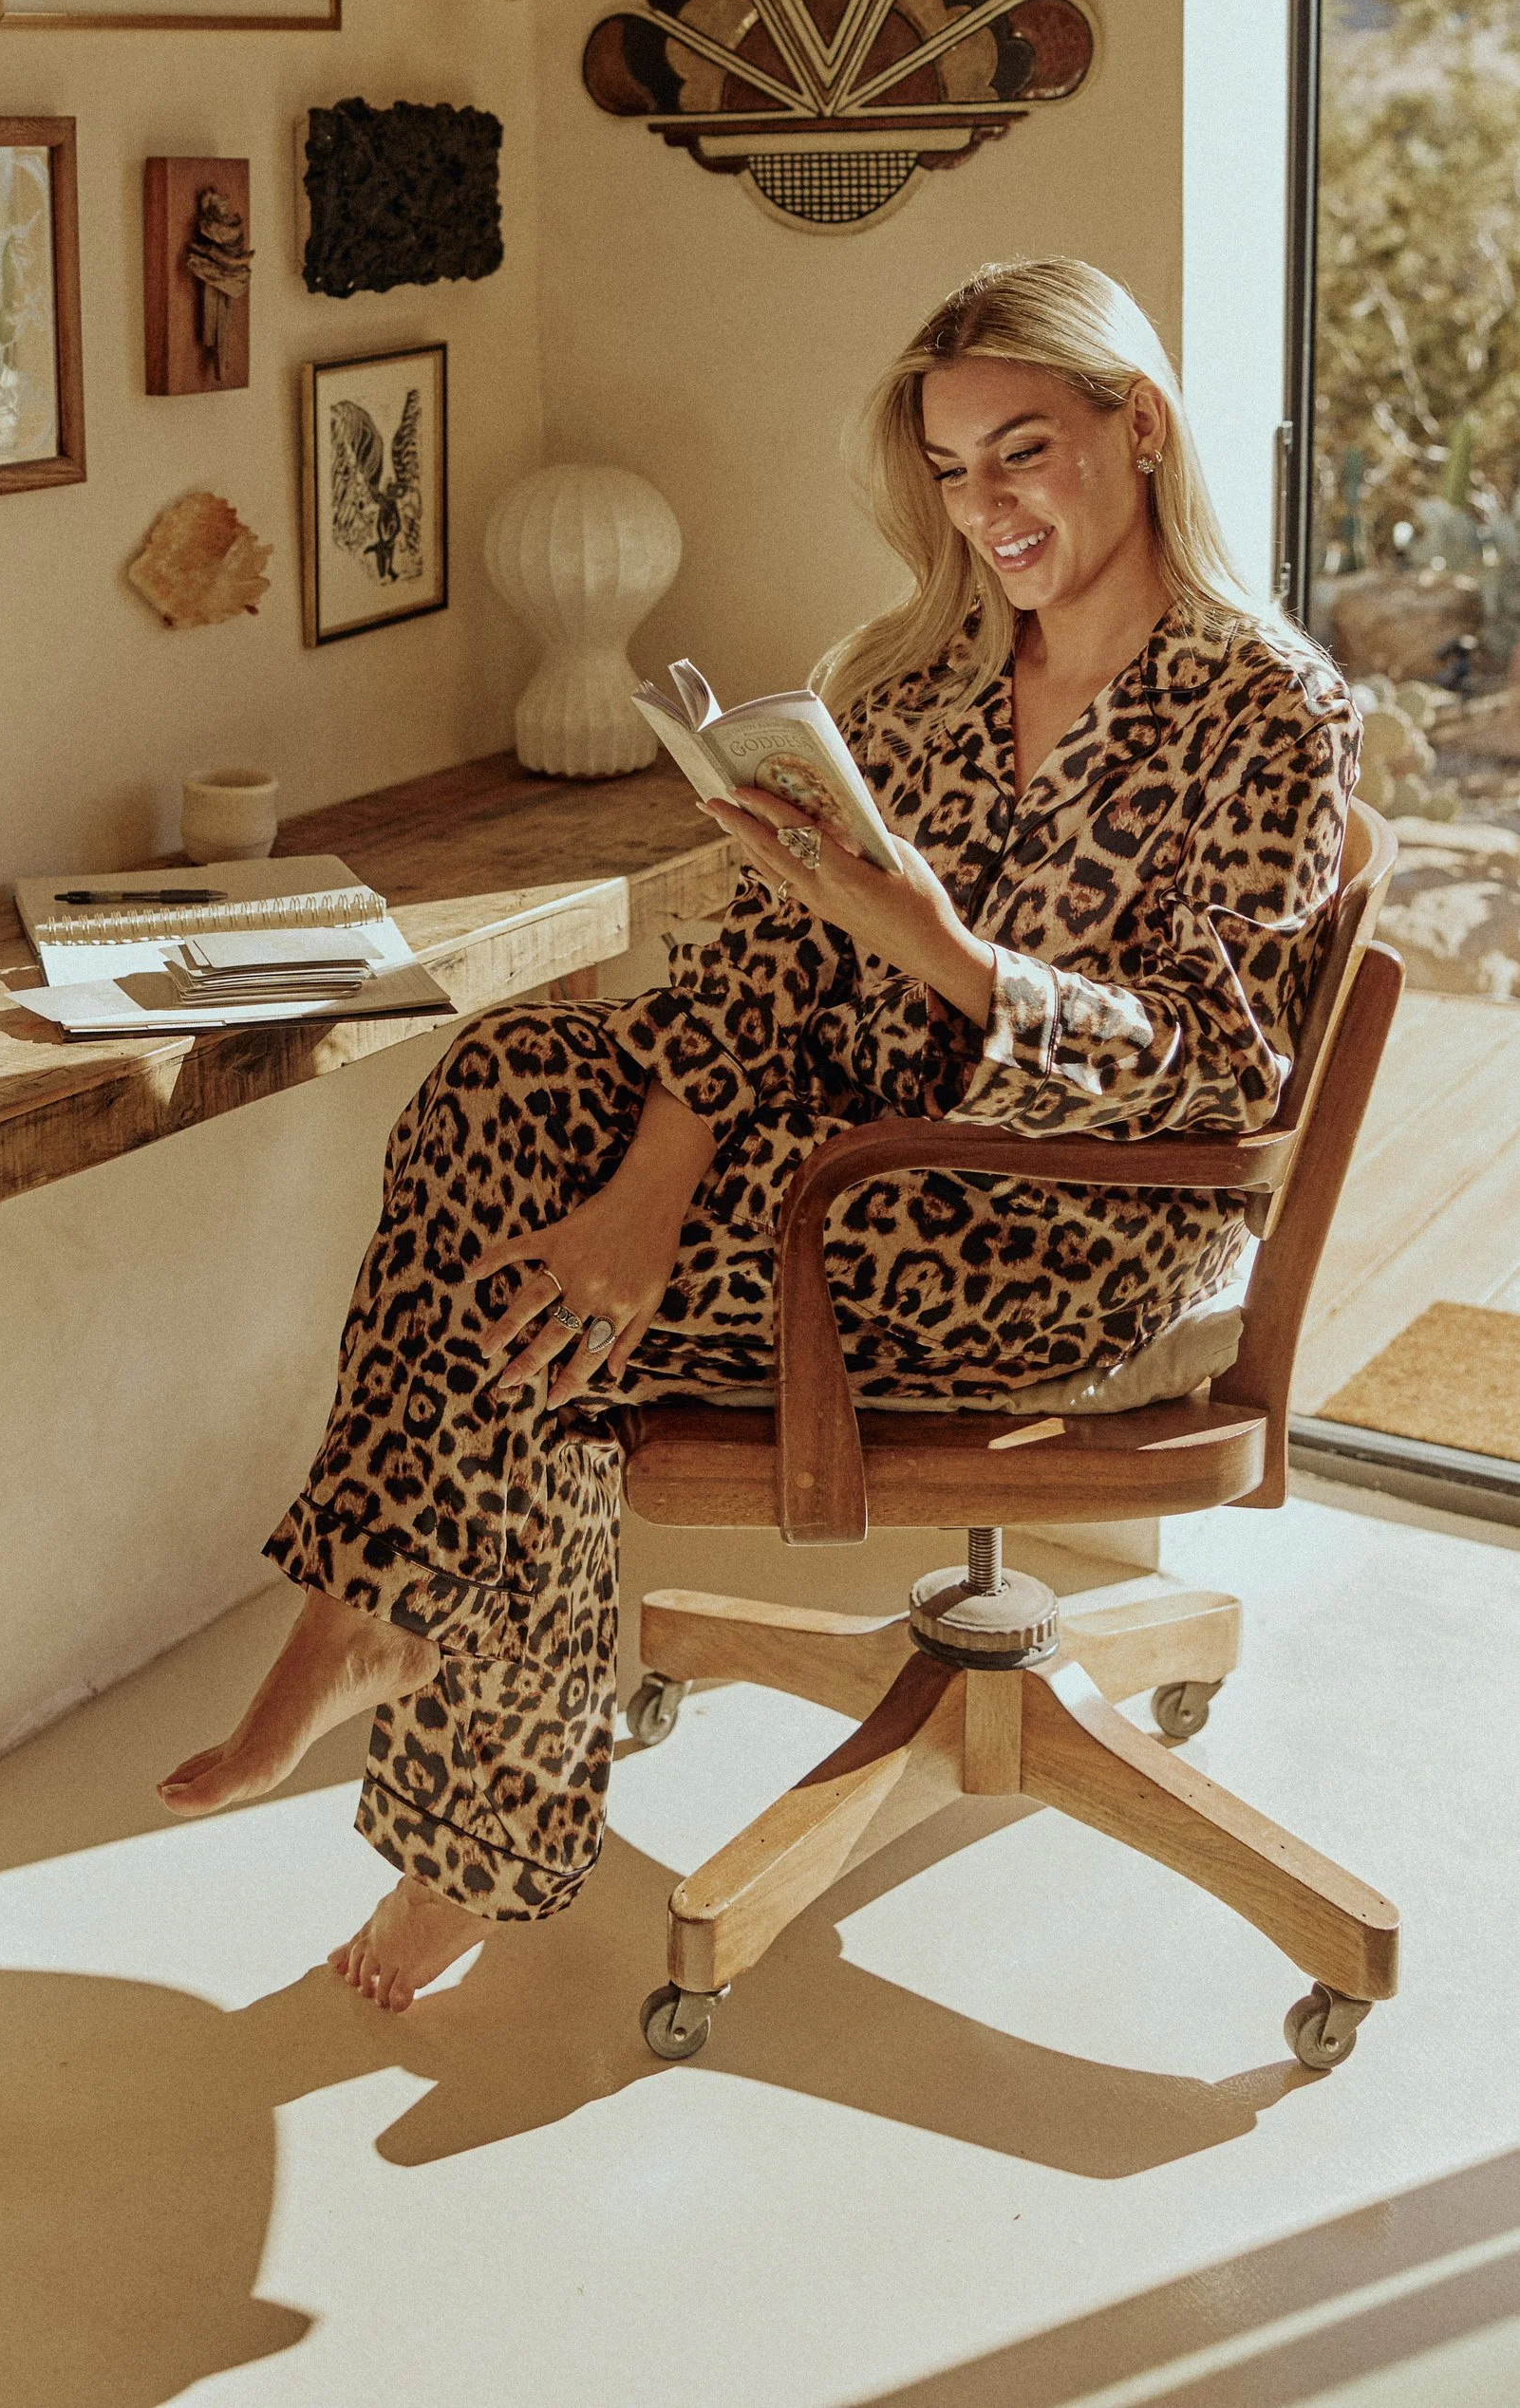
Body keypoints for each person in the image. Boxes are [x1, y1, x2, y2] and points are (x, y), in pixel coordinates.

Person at [160, 257, 1359, 2010]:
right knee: (505, 1092)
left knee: (535, 1323)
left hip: (1057, 1224)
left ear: (1141, 427)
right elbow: (764, 968)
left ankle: (443, 1760)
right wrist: (649, 1196)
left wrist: (940, 952)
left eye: (1024, 453)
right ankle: (384, 1617)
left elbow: (1209, 1066)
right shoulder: (919, 684)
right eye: (953, 472)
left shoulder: (1271, 713)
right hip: (829, 1155)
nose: (988, 510)